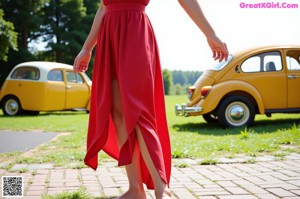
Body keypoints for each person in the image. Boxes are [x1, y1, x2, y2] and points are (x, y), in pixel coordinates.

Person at [73, 0, 228, 198]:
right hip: (109, 34)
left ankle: (162, 187)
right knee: (118, 112)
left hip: (135, 31)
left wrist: (210, 33)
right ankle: (135, 188)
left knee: (138, 112)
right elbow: (104, 7)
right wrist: (87, 48)